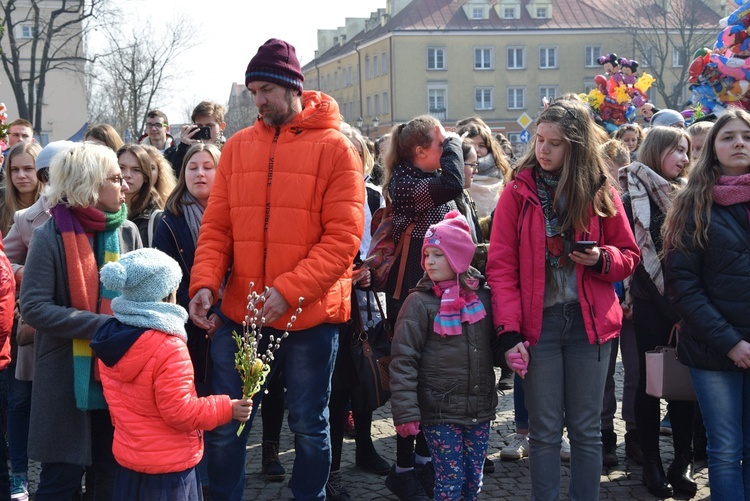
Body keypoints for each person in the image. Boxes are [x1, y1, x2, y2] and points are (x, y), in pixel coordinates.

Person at [187, 38, 364, 501]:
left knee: (308, 424)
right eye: (254, 92)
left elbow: (342, 239)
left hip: (309, 316)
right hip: (241, 316)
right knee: (227, 424)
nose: (259, 100)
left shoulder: (337, 149)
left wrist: (289, 290)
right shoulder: (240, 147)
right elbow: (217, 228)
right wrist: (204, 284)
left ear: (292, 87)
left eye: (266, 89)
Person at [486, 99, 639, 500]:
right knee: (545, 430)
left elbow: (628, 255)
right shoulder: (517, 192)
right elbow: (501, 268)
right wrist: (508, 331)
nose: (543, 150)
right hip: (540, 325)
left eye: (554, 143)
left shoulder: (599, 189)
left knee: (587, 430)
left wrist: (601, 258)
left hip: (590, 324)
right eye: (539, 140)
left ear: (575, 147)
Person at [20, 142, 141, 500]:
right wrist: (102, 325)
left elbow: (142, 299)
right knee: (60, 484)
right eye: (116, 178)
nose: (125, 185)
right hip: (64, 381)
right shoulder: (49, 235)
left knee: (111, 481)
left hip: (119, 378)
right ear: (88, 184)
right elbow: (35, 308)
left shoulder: (128, 232)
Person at [90, 248, 252, 500]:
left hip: (130, 463)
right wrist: (227, 408)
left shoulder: (110, 337)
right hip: (169, 470)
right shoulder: (167, 346)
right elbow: (180, 412)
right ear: (167, 295)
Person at [663, 109, 750, 500]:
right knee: (726, 448)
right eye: (728, 136)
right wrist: (731, 342)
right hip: (714, 348)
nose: (739, 143)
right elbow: (683, 286)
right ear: (712, 148)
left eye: (747, 136)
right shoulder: (693, 204)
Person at [380, 115, 464, 501]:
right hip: (410, 293)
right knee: (410, 380)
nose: (445, 150)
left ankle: (427, 461)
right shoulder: (406, 181)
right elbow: (453, 182)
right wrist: (457, 144)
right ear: (420, 152)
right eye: (439, 145)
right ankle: (402, 468)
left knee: (435, 375)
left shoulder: (418, 178)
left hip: (437, 291)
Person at [390, 210, 496, 499]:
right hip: (439, 412)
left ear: (460, 257)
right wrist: (406, 412)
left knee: (473, 482)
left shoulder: (482, 298)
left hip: (478, 410)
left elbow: (496, 347)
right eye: (427, 255)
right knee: (449, 481)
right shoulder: (419, 303)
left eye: (439, 254)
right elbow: (403, 360)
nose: (429, 262)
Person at [621, 125, 696, 498]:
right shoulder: (631, 196)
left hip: (690, 305)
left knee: (685, 388)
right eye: (676, 150)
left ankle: (681, 461)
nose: (684, 158)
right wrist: (676, 311)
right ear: (655, 151)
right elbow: (639, 260)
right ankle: (651, 462)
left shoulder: (690, 194)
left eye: (686, 151)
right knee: (651, 388)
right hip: (653, 307)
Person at [3, 141, 77, 501]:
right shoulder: (26, 218)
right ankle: (21, 474)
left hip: (76, 326)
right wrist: (29, 274)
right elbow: (5, 263)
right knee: (23, 400)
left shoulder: (90, 212)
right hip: (38, 326)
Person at [455, 118, 510, 219]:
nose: (476, 150)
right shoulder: (452, 178)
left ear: (489, 148)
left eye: (481, 145)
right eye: (471, 144)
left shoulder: (502, 173)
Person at [117, 144, 163, 246]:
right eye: (121, 168)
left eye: (136, 170)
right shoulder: (105, 213)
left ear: (146, 177)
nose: (127, 175)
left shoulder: (157, 219)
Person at [167, 101, 227, 177]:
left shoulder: (228, 150)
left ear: (222, 126)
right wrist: (183, 148)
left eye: (209, 126)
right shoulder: (186, 151)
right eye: (200, 126)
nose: (204, 131)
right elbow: (174, 178)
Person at [0, 142, 42, 236]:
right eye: (15, 169)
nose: (21, 175)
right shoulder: (1, 202)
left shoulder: (54, 206)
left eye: (28, 168)